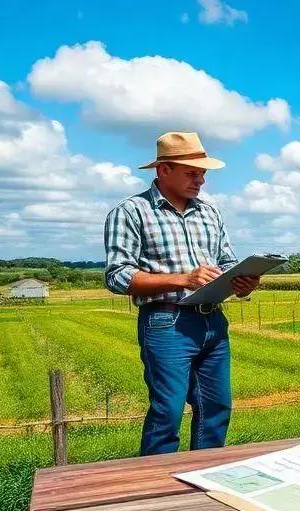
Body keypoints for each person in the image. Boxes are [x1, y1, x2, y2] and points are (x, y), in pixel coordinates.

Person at [104, 131, 259, 455]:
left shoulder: (210, 213)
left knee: (217, 409)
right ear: (163, 170)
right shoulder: (131, 212)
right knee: (167, 413)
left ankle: (203, 479)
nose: (200, 180)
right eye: (191, 173)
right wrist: (182, 279)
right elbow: (117, 276)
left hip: (214, 321)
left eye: (202, 174)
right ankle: (156, 490)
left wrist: (242, 281)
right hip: (166, 323)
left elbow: (227, 261)